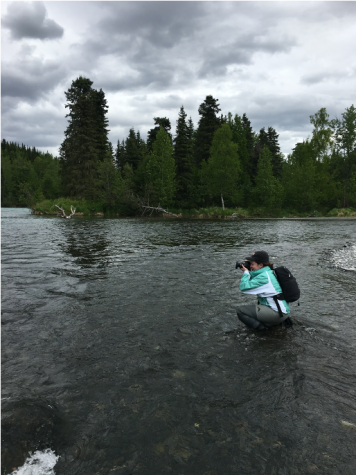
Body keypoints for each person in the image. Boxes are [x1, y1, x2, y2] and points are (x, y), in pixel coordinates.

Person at [236, 250, 291, 330]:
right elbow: (255, 278)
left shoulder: (264, 277)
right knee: (254, 311)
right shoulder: (268, 272)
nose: (250, 266)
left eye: (252, 264)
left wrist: (246, 273)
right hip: (281, 311)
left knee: (241, 311)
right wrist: (247, 270)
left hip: (277, 313)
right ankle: (271, 325)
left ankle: (263, 331)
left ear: (261, 265)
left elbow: (244, 287)